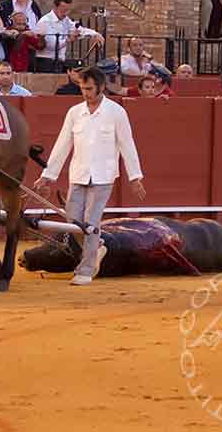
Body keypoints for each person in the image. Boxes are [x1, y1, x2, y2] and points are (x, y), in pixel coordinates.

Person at [33, 66, 145, 286]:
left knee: (90, 222)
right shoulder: (75, 113)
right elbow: (62, 145)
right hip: (79, 174)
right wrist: (47, 175)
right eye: (83, 88)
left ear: (101, 87)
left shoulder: (116, 112)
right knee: (73, 222)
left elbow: (127, 145)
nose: (85, 93)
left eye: (89, 88)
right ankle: (98, 245)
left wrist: (135, 176)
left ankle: (85, 269)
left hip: (103, 176)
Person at [34, 0, 104, 73]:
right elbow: (51, 45)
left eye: (68, 10)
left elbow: (78, 29)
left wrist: (95, 34)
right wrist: (68, 40)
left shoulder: (65, 20)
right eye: (63, 9)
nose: (66, 13)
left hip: (59, 61)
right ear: (55, 7)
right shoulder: (45, 21)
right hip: (45, 62)